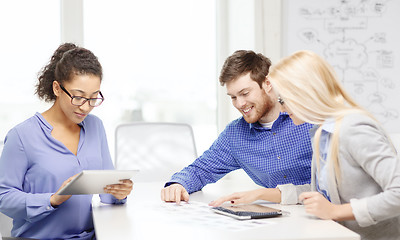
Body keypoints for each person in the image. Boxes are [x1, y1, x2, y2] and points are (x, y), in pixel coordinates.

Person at [211, 50, 400, 240]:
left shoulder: (353, 128)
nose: (282, 109)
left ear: (305, 94)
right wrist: (263, 194)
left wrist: (335, 211)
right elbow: (322, 193)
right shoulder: (322, 132)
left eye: (284, 100)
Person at [0, 43, 133, 239]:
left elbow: (107, 194)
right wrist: (53, 199)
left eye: (93, 98)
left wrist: (119, 192)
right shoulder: (22, 136)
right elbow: (3, 197)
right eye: (78, 97)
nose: (86, 108)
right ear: (57, 88)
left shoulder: (95, 127)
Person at [161, 50, 313, 204]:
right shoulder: (235, 134)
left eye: (245, 93)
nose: (239, 104)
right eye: (233, 97)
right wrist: (177, 184)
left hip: (323, 214)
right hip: (279, 216)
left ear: (267, 84)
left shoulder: (308, 118)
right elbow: (201, 169)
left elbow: (332, 185)